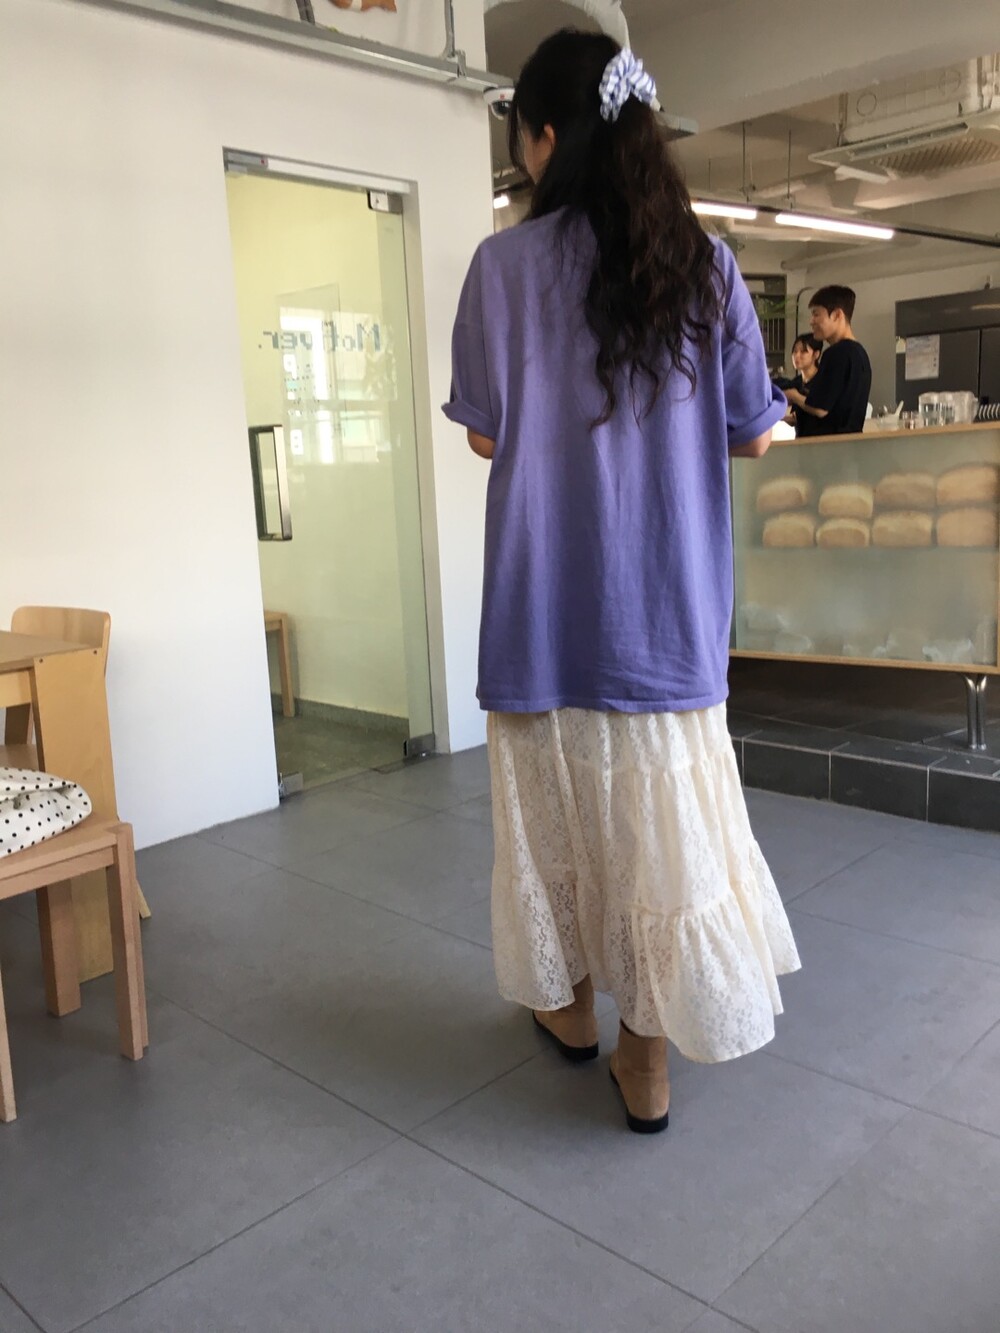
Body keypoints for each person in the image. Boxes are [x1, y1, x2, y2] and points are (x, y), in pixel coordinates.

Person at [442, 30, 800, 1135]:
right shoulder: (705, 264)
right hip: (665, 616)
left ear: (547, 138)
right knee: (657, 841)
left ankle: (568, 1010)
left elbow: (485, 436)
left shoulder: (502, 267)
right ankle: (645, 1064)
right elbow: (756, 434)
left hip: (544, 609)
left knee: (555, 831)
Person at [785, 286, 871, 435]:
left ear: (837, 315)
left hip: (826, 445)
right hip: (849, 443)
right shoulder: (860, 353)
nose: (811, 321)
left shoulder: (836, 353)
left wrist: (793, 395)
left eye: (816, 314)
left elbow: (820, 409)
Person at [775, 334, 823, 435]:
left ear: (816, 354)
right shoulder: (796, 382)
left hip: (822, 438)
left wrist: (794, 396)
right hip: (801, 439)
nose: (797, 356)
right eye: (795, 351)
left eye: (803, 351)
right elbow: (795, 419)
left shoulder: (823, 380)